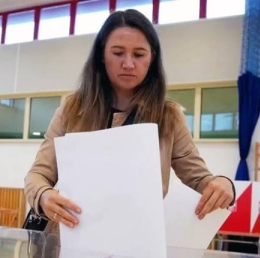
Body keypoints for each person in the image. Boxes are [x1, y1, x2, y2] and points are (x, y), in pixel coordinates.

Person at [25, 9, 235, 232]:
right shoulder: (72, 109)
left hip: (135, 243)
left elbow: (200, 178)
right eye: (117, 53)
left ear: (151, 58)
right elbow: (37, 175)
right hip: (71, 241)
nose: (128, 63)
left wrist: (223, 184)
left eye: (138, 54)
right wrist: (43, 195)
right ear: (101, 56)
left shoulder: (169, 116)